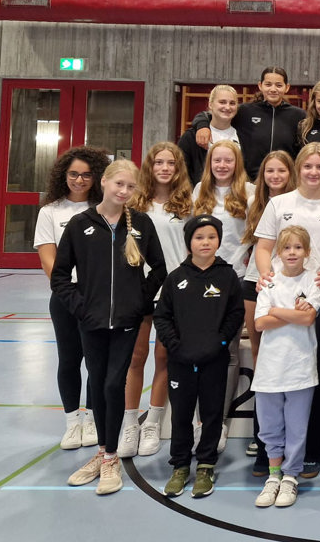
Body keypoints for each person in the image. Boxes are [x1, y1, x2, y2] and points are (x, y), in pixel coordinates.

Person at [52, 159, 166, 495]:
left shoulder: (141, 223)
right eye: (119, 185)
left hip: (127, 323)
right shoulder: (80, 224)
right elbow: (60, 276)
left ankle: (111, 457)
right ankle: (102, 454)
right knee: (97, 382)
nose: (124, 192)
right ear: (104, 182)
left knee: (115, 384)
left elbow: (159, 269)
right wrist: (81, 307)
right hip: (92, 321)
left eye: (131, 187)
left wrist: (139, 304)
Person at [253, 142, 320, 478]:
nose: (313, 172)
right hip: (281, 294)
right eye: (307, 166)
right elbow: (264, 247)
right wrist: (267, 276)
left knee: (315, 373)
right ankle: (268, 453)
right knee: (271, 373)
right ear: (298, 169)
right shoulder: (279, 203)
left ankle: (311, 449)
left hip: (318, 295)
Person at [154, 215, 245, 499]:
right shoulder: (176, 278)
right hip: (180, 360)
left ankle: (206, 465)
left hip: (214, 359)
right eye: (199, 237)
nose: (205, 242)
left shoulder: (227, 276)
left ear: (219, 240)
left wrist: (219, 343)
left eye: (211, 237)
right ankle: (180, 466)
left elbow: (235, 314)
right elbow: (162, 316)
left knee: (211, 414)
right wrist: (174, 346)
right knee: (181, 415)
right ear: (189, 242)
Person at [120, 142, 194, 459]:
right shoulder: (133, 206)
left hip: (174, 292)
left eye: (171, 163)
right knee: (135, 358)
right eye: (159, 162)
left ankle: (152, 422)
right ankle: (129, 424)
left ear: (179, 169)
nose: (165, 168)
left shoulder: (188, 205)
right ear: (149, 167)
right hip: (140, 291)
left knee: (164, 359)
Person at [34, 146, 110, 450]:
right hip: (65, 297)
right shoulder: (50, 211)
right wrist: (68, 292)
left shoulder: (104, 209)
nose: (79, 180)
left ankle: (92, 419)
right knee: (69, 359)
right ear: (64, 176)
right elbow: (47, 259)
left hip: (97, 297)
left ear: (97, 178)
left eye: (86, 175)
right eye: (73, 174)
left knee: (96, 360)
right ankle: (71, 422)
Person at [251, 226, 320, 508]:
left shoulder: (315, 282)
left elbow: (308, 320)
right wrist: (292, 312)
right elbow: (259, 323)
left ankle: (291, 477)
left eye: (298, 247)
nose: (292, 253)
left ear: (306, 252)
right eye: (286, 248)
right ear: (278, 253)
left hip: (300, 368)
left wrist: (276, 311)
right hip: (270, 369)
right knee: (270, 427)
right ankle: (273, 476)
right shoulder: (268, 283)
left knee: (296, 427)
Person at [193, 140, 255, 451]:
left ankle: (221, 425)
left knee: (229, 352)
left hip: (235, 278)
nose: (222, 165)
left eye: (228, 160)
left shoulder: (250, 191)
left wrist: (234, 262)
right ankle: (201, 420)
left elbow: (253, 234)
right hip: (202, 279)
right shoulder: (198, 192)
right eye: (217, 160)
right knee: (199, 350)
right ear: (210, 163)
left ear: (237, 163)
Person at [240, 150, 297, 466]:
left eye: (281, 171)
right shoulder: (254, 203)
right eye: (269, 171)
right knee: (262, 359)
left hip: (290, 286)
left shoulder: (299, 203)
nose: (275, 176)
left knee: (288, 357)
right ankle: (262, 437)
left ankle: (291, 433)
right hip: (255, 282)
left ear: (291, 174)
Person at [190, 68, 305, 179]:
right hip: (250, 180)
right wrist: (202, 126)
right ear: (260, 86)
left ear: (287, 87)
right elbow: (209, 114)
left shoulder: (298, 115)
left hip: (284, 180)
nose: (273, 89)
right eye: (268, 84)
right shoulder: (245, 111)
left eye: (279, 85)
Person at [179, 85, 239, 185]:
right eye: (222, 102)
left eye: (232, 103)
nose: (227, 107)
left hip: (236, 197)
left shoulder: (244, 136)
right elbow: (181, 173)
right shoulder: (191, 137)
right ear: (210, 105)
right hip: (200, 197)